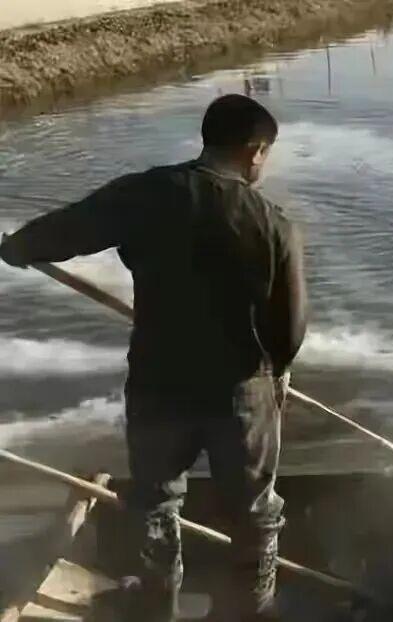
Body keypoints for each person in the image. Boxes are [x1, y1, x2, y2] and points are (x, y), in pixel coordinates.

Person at [0, 94, 307, 622]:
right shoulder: (273, 224)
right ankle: (249, 612)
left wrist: (19, 247)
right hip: (240, 395)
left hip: (159, 385)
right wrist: (276, 372)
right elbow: (289, 329)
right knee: (254, 513)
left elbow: (70, 228)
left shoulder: (145, 193)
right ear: (255, 151)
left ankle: (156, 608)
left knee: (157, 506)